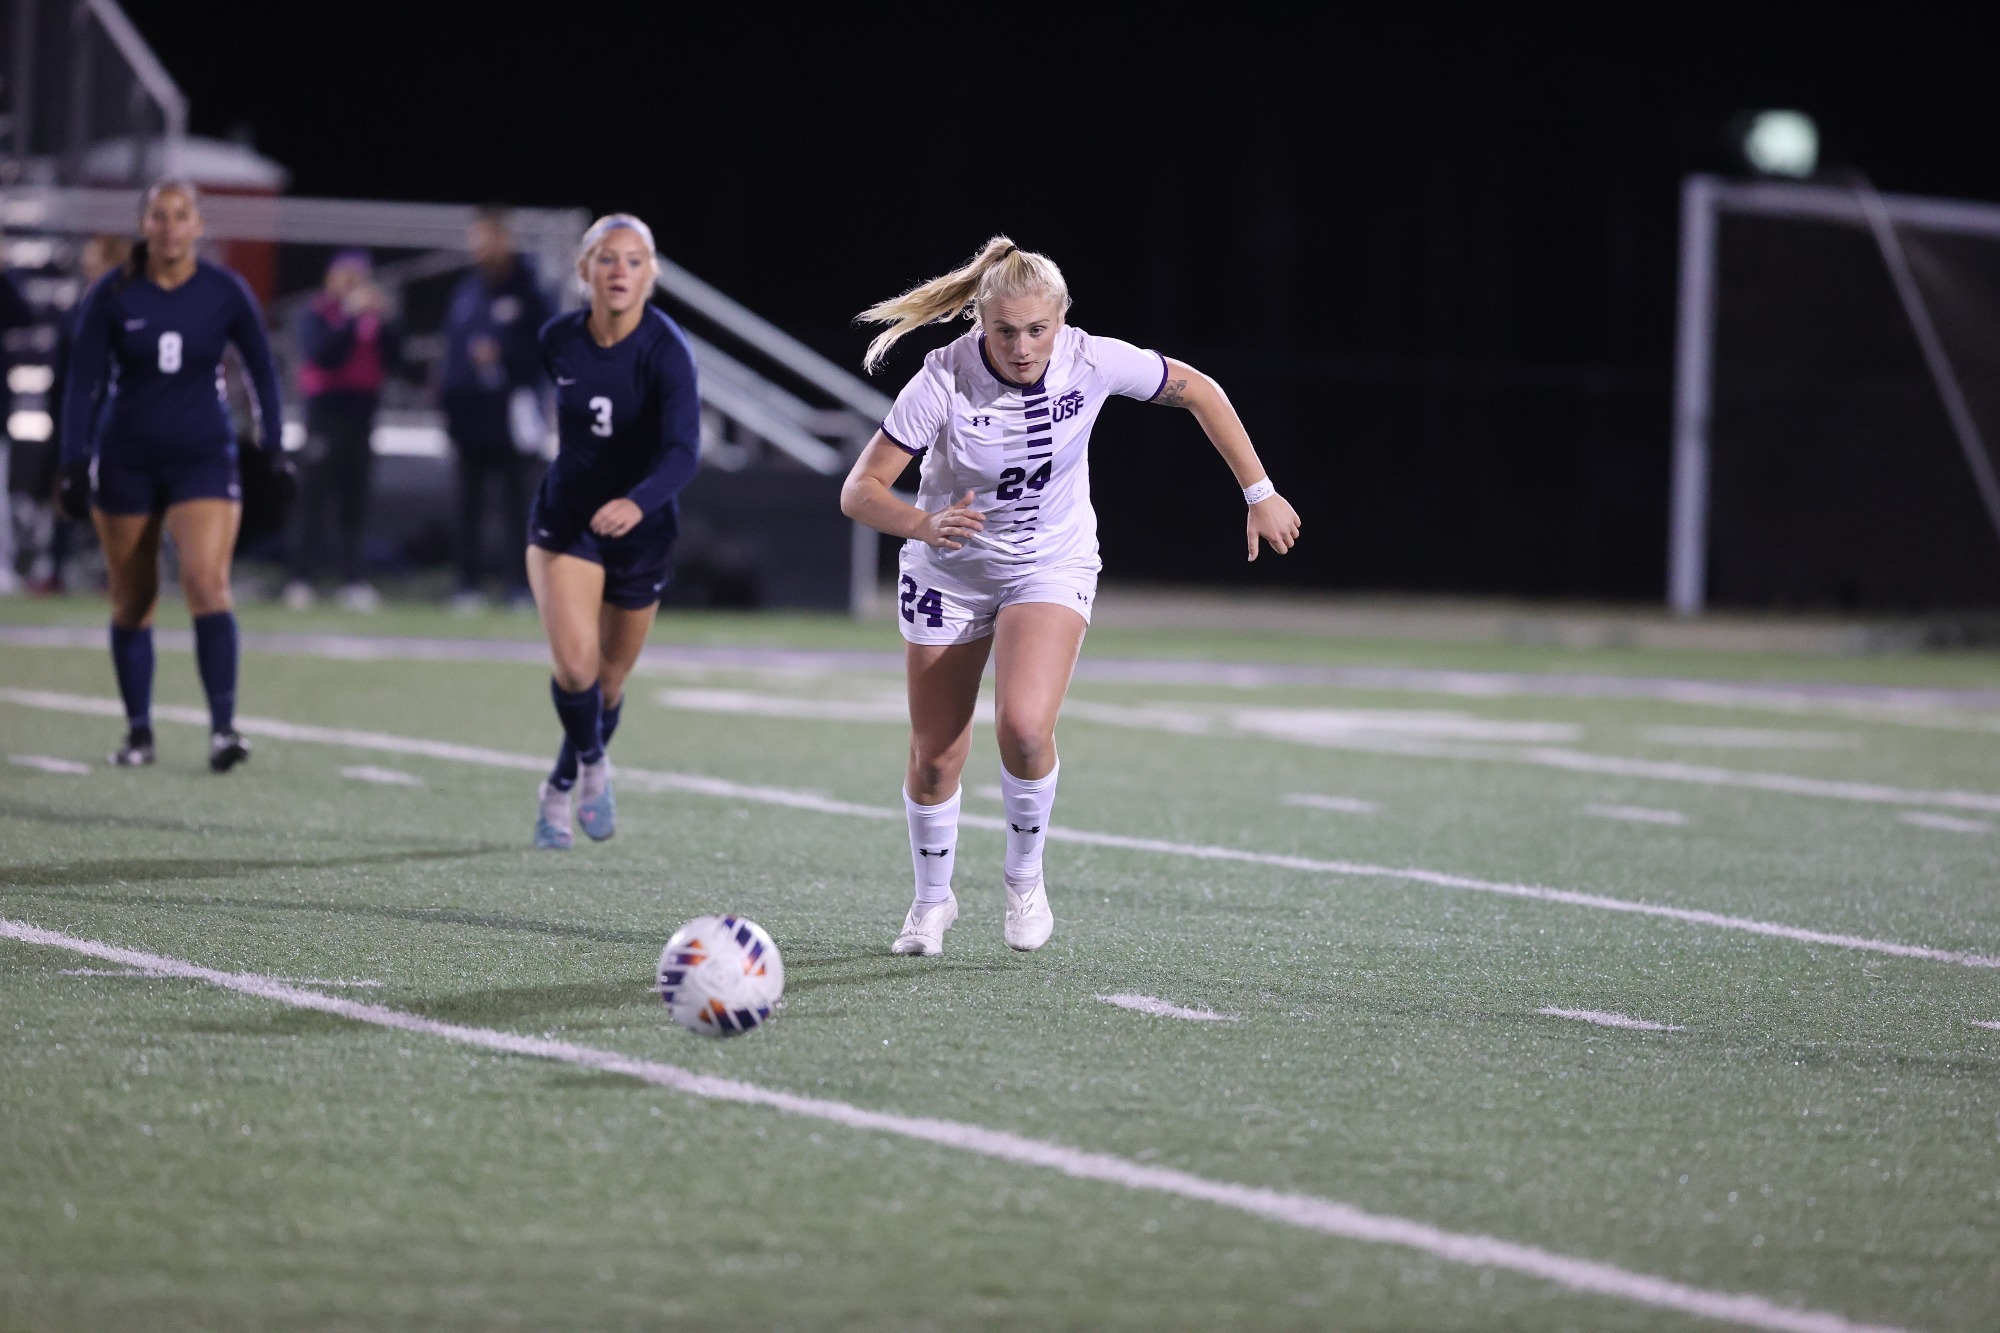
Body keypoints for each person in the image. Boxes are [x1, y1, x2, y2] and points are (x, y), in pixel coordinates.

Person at [840, 236, 1302, 956]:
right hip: (951, 570)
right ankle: (932, 902)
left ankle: (1024, 880)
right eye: (1004, 331)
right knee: (936, 756)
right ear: (978, 324)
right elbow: (859, 491)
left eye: (1037, 329)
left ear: (1062, 321)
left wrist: (1260, 492)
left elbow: (1201, 391)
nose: (1023, 347)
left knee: (1024, 727)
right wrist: (924, 522)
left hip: (1048, 564)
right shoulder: (941, 380)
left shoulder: (1092, 359)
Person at [56, 179, 284, 771]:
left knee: (206, 581)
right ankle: (139, 734)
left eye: (181, 216)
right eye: (158, 216)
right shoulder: (113, 292)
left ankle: (224, 730)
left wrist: (276, 445)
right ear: (144, 224)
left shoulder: (224, 292)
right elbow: (82, 382)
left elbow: (262, 369)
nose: (169, 227)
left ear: (198, 225)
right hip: (127, 457)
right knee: (133, 600)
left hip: (201, 456)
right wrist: (73, 461)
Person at [526, 213, 699, 849]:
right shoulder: (557, 339)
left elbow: (684, 451)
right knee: (575, 668)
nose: (619, 271)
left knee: (608, 683)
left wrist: (636, 500)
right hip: (567, 519)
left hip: (643, 527)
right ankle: (595, 769)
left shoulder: (666, 349)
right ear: (584, 271)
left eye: (632, 261)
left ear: (650, 275)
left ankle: (556, 786)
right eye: (606, 258)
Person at [441, 204, 551, 612]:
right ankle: (467, 585)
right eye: (476, 239)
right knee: (467, 506)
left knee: (518, 509)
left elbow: (546, 351)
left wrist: (503, 354)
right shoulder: (467, 291)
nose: (479, 248)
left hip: (513, 419)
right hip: (470, 416)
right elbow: (453, 353)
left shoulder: (529, 291)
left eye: (487, 238)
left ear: (505, 239)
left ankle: (520, 586)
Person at [283, 248, 403, 612]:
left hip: (361, 414)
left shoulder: (372, 319)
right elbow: (324, 355)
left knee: (355, 501)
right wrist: (350, 319)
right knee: (313, 499)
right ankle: (301, 578)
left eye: (359, 276)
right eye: (346, 275)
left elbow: (396, 361)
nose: (353, 284)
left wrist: (389, 322)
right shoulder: (317, 312)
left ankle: (353, 579)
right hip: (325, 413)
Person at [33, 236, 130, 595]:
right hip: (73, 414)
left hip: (109, 414)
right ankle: (55, 568)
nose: (86, 262)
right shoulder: (80, 303)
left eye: (94, 256)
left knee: (113, 497)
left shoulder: (123, 305)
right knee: (66, 492)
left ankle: (115, 573)